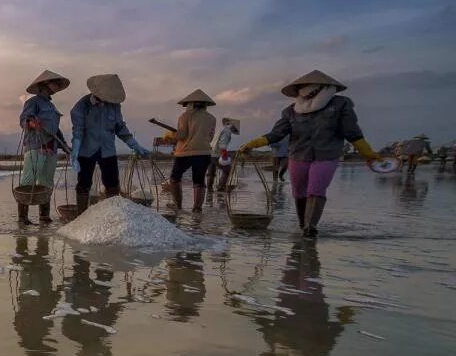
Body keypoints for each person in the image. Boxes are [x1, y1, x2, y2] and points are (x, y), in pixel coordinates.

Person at [239, 69, 382, 238]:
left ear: (324, 87)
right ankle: (302, 225)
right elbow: (277, 134)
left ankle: (310, 227)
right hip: (298, 155)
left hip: (326, 154)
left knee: (316, 189)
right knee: (299, 192)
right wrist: (253, 144)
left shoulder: (340, 104)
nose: (307, 91)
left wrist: (368, 153)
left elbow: (352, 132)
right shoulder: (290, 111)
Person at [69, 74, 149, 215]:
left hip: (107, 149)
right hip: (87, 149)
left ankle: (113, 215)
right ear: (97, 92)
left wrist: (135, 145)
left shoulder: (114, 106)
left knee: (112, 183)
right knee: (84, 183)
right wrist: (74, 152)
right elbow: (78, 131)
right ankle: (81, 216)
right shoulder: (82, 106)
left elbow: (120, 128)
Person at [17, 70, 72, 224]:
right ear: (45, 84)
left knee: (47, 181)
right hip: (35, 145)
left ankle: (44, 216)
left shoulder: (52, 106)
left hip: (51, 148)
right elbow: (23, 120)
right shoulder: (33, 102)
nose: (57, 86)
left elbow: (55, 130)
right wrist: (31, 123)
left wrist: (64, 145)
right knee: (29, 180)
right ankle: (22, 218)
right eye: (55, 83)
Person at [158, 89, 216, 212]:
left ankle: (178, 206)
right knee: (199, 181)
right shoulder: (212, 118)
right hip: (204, 152)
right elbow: (210, 137)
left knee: (174, 179)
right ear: (205, 105)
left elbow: (181, 135)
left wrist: (170, 134)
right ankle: (197, 209)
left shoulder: (185, 116)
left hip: (185, 152)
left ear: (190, 104)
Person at [207, 117, 240, 192]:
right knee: (227, 170)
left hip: (210, 153)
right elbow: (222, 144)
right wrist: (224, 155)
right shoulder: (227, 131)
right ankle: (221, 187)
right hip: (216, 154)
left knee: (211, 172)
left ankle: (209, 190)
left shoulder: (221, 130)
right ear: (232, 125)